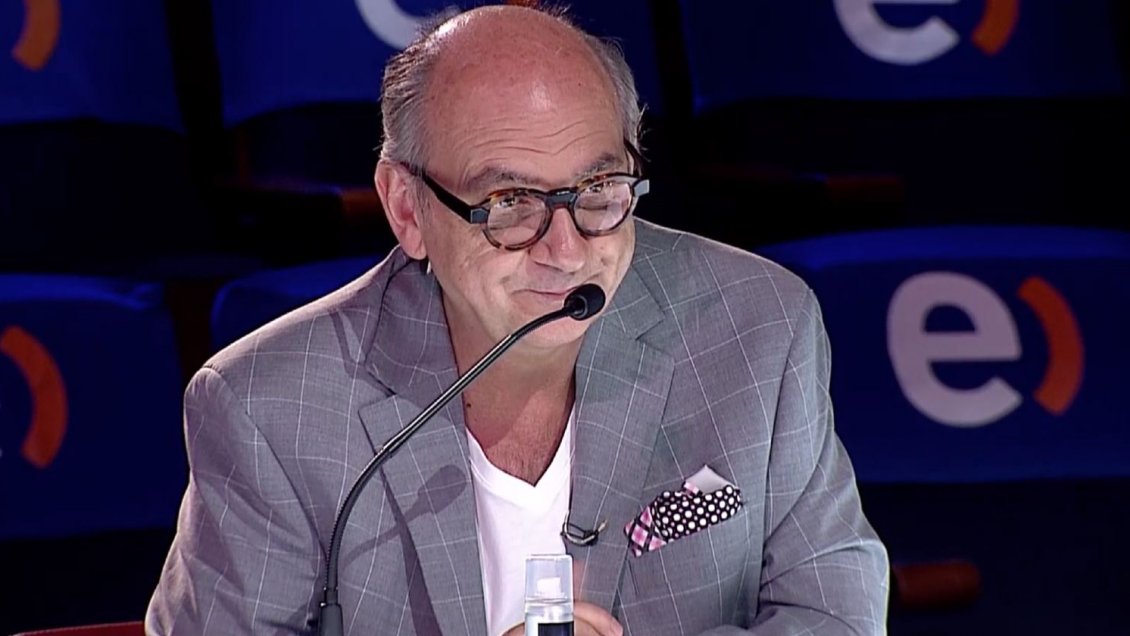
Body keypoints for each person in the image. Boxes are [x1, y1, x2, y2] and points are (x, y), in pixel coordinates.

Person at [147, 4, 889, 635]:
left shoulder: (758, 326)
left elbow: (836, 615)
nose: (566, 251)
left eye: (599, 188)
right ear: (407, 209)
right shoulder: (271, 408)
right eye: (509, 204)